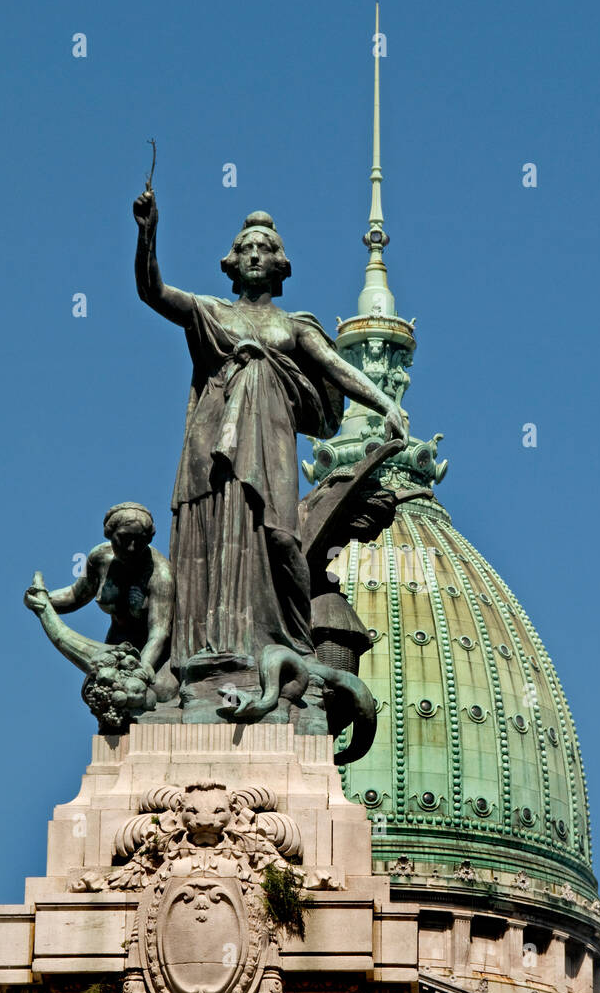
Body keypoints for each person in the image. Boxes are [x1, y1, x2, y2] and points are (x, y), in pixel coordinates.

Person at [132, 191, 406, 680]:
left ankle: (287, 642)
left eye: (264, 248)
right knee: (214, 539)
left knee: (279, 537)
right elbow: (152, 292)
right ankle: (212, 651)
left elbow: (337, 368)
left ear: (281, 265)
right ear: (232, 263)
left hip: (271, 439)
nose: (254, 254)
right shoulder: (210, 312)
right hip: (213, 442)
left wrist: (386, 403)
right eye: (245, 248)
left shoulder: (292, 327)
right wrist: (148, 232)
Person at [25, 501, 173, 683]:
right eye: (125, 538)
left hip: (154, 655)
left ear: (148, 539)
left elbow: (159, 633)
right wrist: (41, 598)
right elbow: (74, 595)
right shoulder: (99, 558)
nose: (132, 547)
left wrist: (137, 670)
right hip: (115, 646)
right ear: (109, 534)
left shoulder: (160, 575)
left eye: (140, 540)